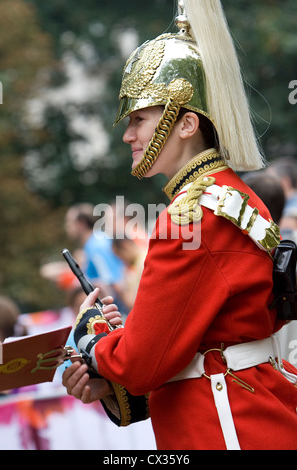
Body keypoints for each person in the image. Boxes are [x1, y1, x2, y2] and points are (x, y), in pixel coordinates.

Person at [63, 0, 297, 450]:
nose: (128, 135)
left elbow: (144, 363)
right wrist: (114, 377)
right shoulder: (232, 197)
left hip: (226, 424)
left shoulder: (190, 216)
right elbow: (205, 342)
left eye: (139, 120)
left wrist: (93, 337)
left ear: (187, 123)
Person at [64, 203, 124, 287]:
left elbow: (111, 281)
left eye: (69, 221)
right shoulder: (94, 243)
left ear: (82, 223)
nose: (67, 226)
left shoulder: (97, 246)